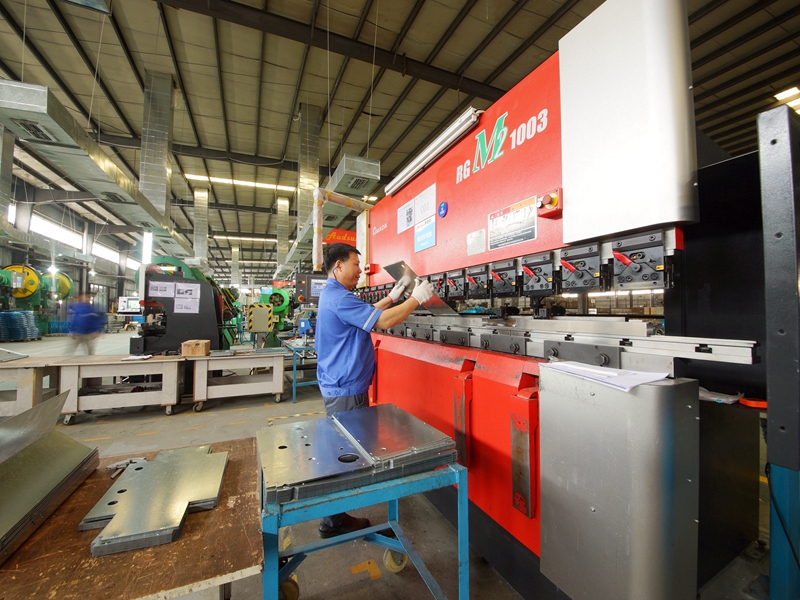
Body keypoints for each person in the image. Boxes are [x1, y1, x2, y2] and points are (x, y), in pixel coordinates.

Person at [315, 243, 434, 538]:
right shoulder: (340, 298)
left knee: (346, 449)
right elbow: (383, 321)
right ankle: (333, 521)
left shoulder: (335, 294)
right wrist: (417, 298)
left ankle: (334, 516)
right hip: (345, 388)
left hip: (341, 384)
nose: (361, 270)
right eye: (356, 264)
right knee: (348, 453)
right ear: (338, 265)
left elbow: (366, 314)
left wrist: (393, 296)